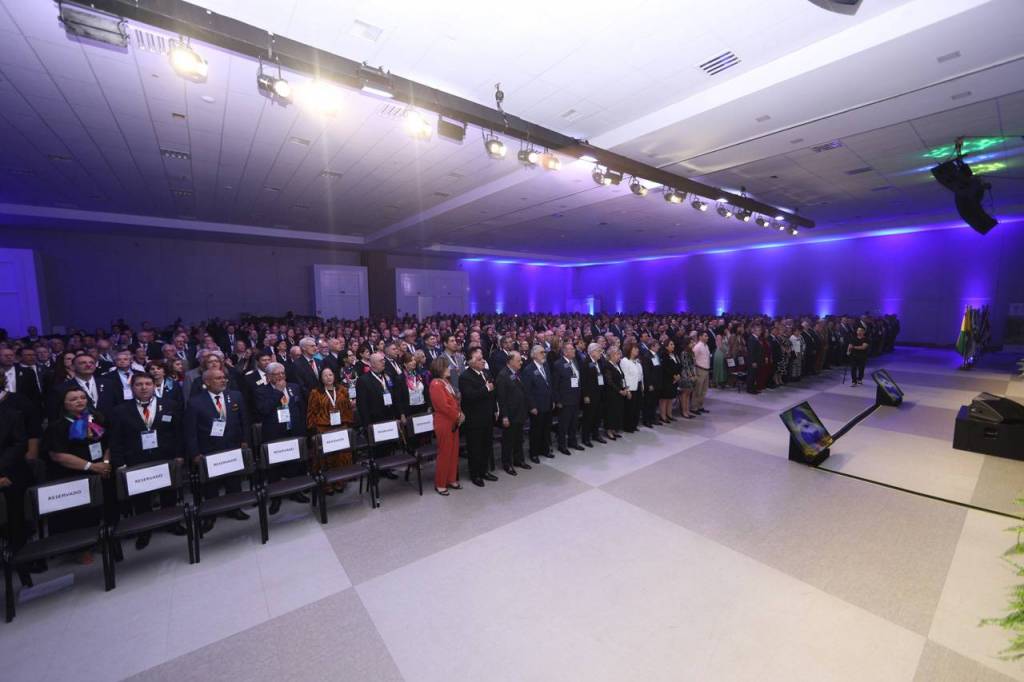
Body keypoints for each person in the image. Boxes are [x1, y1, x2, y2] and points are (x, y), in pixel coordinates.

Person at [108, 372, 185, 549]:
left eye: (148, 384)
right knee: (141, 498)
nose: (144, 388)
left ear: (154, 386)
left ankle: (171, 522)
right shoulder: (120, 411)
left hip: (165, 456)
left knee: (168, 493)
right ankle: (144, 529)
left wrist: (179, 454)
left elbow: (178, 433)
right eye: (139, 384)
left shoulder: (170, 405)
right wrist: (120, 463)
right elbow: (116, 440)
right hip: (136, 459)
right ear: (132, 388)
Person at [43, 386, 111, 563]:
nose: (80, 401)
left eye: (82, 397)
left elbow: (108, 444)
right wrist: (91, 467)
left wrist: (105, 464)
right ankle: (81, 549)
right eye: (73, 399)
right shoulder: (57, 427)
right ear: (64, 404)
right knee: (77, 515)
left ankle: (99, 539)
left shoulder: (95, 419)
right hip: (71, 476)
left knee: (98, 510)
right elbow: (58, 456)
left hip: (100, 471)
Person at [184, 368, 251, 533]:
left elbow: (244, 420)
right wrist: (194, 453)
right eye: (218, 378)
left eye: (224, 377)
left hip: (232, 445)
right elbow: (190, 431)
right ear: (207, 382)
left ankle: (235, 508)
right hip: (209, 449)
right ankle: (210, 515)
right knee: (211, 485)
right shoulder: (195, 402)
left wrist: (245, 440)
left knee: (233, 480)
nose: (223, 380)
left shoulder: (235, 396)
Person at [256, 362, 309, 514]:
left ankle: (295, 491)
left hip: (294, 431)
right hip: (274, 434)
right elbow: (263, 410)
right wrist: (278, 392)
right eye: (276, 374)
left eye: (282, 373)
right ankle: (276, 497)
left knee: (294, 464)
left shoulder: (294, 387)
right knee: (275, 469)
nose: (280, 376)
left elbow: (301, 408)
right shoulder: (261, 391)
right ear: (268, 377)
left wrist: (303, 430)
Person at [306, 366, 354, 493]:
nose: (328, 377)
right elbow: (311, 412)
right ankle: (326, 484)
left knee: (342, 456)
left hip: (341, 427)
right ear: (321, 378)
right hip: (323, 429)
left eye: (331, 374)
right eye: (325, 375)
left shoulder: (342, 390)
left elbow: (348, 409)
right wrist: (313, 430)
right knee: (326, 459)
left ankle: (340, 481)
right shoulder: (315, 392)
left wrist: (348, 424)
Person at [355, 352, 403, 479]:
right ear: (373, 364)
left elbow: (395, 396)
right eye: (381, 361)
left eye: (383, 360)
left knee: (388, 446)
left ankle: (386, 469)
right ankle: (375, 472)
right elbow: (362, 405)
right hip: (374, 420)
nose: (384, 362)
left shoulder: (387, 376)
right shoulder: (363, 380)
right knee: (377, 448)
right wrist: (367, 425)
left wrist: (398, 415)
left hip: (388, 416)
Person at [458, 347, 497, 487]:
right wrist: (486, 388)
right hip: (474, 419)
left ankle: (484, 471)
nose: (483, 361)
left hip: (487, 416)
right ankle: (475, 475)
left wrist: (495, 409)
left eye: (483, 358)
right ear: (470, 361)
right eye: (479, 359)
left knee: (487, 446)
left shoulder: (486, 372)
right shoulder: (465, 377)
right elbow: (470, 396)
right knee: (475, 448)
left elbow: (492, 393)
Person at [428, 357, 462, 496]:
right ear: (440, 369)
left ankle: (451, 478)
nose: (449, 369)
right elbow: (443, 406)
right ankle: (440, 483)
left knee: (453, 451)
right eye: (447, 367)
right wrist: (458, 415)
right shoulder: (436, 384)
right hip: (444, 422)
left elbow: (453, 401)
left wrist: (459, 413)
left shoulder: (446, 382)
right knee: (445, 452)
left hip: (453, 420)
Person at [495, 351, 530, 475]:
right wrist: (504, 416)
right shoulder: (503, 375)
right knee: (508, 441)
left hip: (519, 412)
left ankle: (518, 460)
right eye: (518, 360)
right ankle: (507, 464)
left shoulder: (516, 373)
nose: (521, 362)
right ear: (510, 361)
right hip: (510, 414)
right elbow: (501, 398)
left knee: (519, 439)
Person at [521, 345, 553, 463]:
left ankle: (544, 449)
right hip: (537, 406)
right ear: (534, 355)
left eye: (544, 352)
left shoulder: (546, 365)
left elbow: (549, 384)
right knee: (536, 430)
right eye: (541, 352)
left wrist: (552, 400)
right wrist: (532, 406)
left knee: (546, 429)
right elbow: (527, 391)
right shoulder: (528, 370)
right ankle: (534, 453)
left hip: (547, 403)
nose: (544, 354)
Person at [552, 342, 582, 455]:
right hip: (564, 400)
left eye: (573, 349)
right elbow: (555, 384)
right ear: (565, 352)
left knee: (574, 423)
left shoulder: (575, 361)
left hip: (575, 397)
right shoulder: (558, 364)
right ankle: (562, 445)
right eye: (571, 349)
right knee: (563, 424)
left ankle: (572, 442)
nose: (574, 351)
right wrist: (558, 400)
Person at [580, 343, 607, 446]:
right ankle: (585, 438)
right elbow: (583, 381)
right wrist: (585, 395)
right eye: (599, 351)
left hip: (599, 393)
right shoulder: (585, 363)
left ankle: (596, 434)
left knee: (597, 416)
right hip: (590, 395)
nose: (600, 353)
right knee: (588, 417)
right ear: (592, 352)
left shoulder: (598, 362)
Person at [602, 346, 626, 439]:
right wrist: (619, 390)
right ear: (611, 355)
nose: (619, 356)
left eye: (619, 354)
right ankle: (609, 430)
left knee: (617, 411)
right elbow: (609, 381)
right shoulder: (607, 365)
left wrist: (624, 389)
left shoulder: (617, 365)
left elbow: (621, 378)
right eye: (617, 354)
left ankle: (614, 429)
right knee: (611, 412)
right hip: (611, 393)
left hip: (619, 392)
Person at [620, 342, 643, 433]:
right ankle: (628, 426)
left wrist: (642, 386)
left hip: (638, 385)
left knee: (637, 407)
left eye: (637, 348)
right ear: (629, 350)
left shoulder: (637, 361)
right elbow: (624, 376)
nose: (637, 350)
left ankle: (634, 425)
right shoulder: (625, 361)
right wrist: (627, 389)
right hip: (630, 388)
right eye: (635, 348)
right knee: (630, 408)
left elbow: (641, 375)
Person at [639, 339, 661, 428]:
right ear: (652, 346)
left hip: (657, 382)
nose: (659, 347)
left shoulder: (656, 355)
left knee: (654, 402)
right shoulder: (647, 356)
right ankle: (646, 420)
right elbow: (646, 372)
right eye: (657, 345)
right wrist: (649, 384)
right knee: (648, 402)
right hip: (650, 383)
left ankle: (653, 418)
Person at [658, 340, 680, 423]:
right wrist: (673, 375)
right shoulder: (664, 355)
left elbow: (679, 365)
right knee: (664, 398)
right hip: (666, 380)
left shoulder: (675, 355)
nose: (673, 345)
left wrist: (678, 375)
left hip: (675, 379)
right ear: (666, 346)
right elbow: (665, 368)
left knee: (670, 398)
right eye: (671, 344)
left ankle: (669, 414)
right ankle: (663, 416)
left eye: (673, 344)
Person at [691, 331, 711, 415]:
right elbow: (693, 359)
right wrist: (694, 372)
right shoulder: (697, 346)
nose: (707, 337)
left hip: (706, 369)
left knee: (704, 390)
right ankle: (694, 407)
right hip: (700, 369)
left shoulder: (706, 346)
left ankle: (700, 406)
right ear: (700, 337)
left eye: (707, 336)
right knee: (698, 390)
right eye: (705, 336)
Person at [677, 337, 696, 418]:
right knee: (685, 393)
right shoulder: (684, 353)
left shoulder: (691, 352)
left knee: (689, 393)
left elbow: (693, 365)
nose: (693, 344)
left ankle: (687, 410)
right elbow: (685, 365)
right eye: (691, 343)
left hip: (691, 374)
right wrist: (690, 375)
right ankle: (684, 411)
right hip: (685, 375)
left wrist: (694, 374)